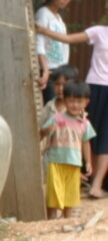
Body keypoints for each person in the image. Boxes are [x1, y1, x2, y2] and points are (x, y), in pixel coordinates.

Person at [35, 15, 108, 198]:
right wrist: (44, 31)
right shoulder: (99, 32)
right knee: (86, 132)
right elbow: (69, 38)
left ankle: (96, 184)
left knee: (107, 137)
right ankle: (85, 178)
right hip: (95, 88)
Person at [41, 80, 96, 219]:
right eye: (71, 101)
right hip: (56, 162)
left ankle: (67, 220)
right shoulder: (57, 118)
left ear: (86, 102)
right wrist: (48, 129)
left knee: (70, 196)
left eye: (79, 101)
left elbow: (85, 142)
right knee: (53, 195)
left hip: (74, 164)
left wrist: (88, 162)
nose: (75, 105)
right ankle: (51, 220)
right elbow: (40, 134)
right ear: (65, 101)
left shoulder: (85, 123)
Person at [35, 0, 73, 103]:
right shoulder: (43, 13)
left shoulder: (58, 17)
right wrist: (45, 70)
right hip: (49, 72)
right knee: (51, 110)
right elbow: (39, 44)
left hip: (60, 72)